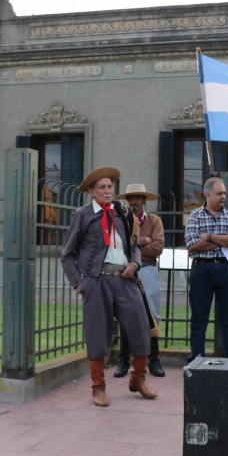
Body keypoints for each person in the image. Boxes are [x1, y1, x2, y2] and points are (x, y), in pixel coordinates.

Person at [61, 166, 157, 407]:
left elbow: (134, 245)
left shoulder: (122, 213)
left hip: (125, 279)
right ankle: (98, 387)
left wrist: (135, 264)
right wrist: (79, 283)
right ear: (92, 192)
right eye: (101, 187)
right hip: (95, 282)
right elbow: (67, 255)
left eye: (109, 186)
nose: (107, 191)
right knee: (97, 335)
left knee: (141, 326)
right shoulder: (82, 215)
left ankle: (138, 378)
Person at [184, 177, 228, 362]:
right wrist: (223, 241)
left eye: (224, 193)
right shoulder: (195, 215)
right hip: (202, 269)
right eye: (219, 194)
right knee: (199, 319)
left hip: (226, 269)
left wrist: (209, 237)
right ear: (207, 194)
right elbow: (192, 246)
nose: (223, 197)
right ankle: (196, 358)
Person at [112, 183, 166, 378]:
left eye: (138, 198)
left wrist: (135, 247)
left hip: (148, 269)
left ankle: (154, 360)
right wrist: (144, 241)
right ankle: (123, 361)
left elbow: (158, 247)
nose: (134, 201)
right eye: (131, 198)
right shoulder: (120, 220)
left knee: (151, 315)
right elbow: (118, 247)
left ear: (144, 200)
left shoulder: (155, 221)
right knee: (125, 314)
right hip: (126, 271)